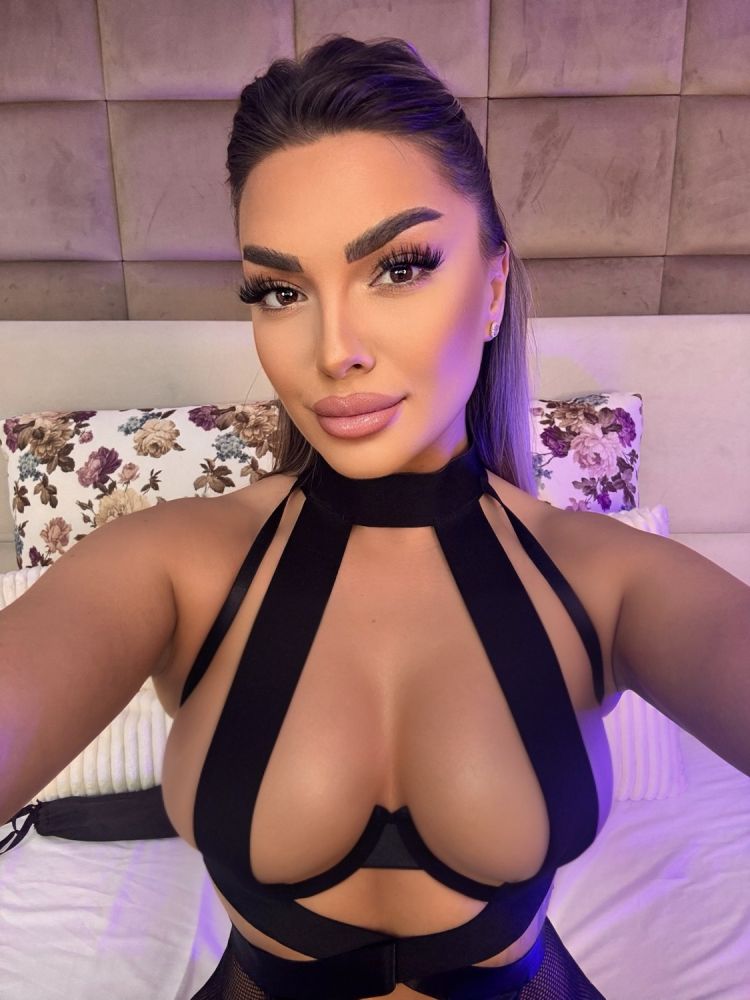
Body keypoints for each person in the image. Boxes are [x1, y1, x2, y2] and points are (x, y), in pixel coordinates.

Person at [1, 33, 748, 1000]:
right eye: (280, 290)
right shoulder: (168, 566)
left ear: (491, 289)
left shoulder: (611, 581)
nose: (334, 349)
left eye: (398, 268)